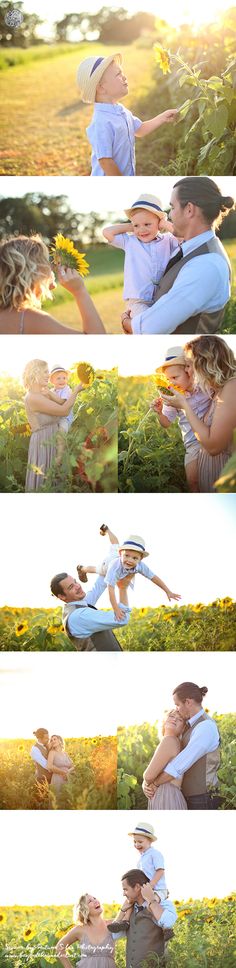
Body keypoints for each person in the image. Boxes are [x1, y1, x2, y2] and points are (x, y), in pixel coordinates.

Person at [121, 177, 234, 334]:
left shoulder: (206, 265)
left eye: (172, 208)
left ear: (189, 209)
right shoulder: (190, 248)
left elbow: (149, 328)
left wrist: (127, 322)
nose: (169, 215)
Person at [76, 53, 178, 177]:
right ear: (101, 88)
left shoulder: (121, 110)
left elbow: (139, 130)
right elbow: (105, 161)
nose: (124, 77)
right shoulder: (101, 122)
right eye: (118, 74)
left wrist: (162, 117)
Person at [0, 234, 105, 334]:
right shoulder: (35, 321)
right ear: (34, 271)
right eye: (46, 261)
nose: (52, 266)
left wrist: (40, 288)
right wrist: (80, 291)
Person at [143, 682, 221, 810]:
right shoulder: (187, 727)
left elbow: (179, 764)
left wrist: (154, 783)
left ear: (188, 702)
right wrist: (146, 783)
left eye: (177, 704)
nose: (177, 709)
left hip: (203, 797)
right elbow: (159, 764)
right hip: (187, 796)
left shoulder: (205, 726)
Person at [78, 527, 181, 622]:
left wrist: (168, 591)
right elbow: (111, 590)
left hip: (117, 557)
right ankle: (82, 569)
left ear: (141, 559)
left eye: (135, 558)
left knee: (115, 545)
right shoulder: (114, 567)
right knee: (98, 574)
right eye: (127, 556)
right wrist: (116, 609)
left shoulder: (140, 565)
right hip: (108, 565)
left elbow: (154, 577)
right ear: (121, 554)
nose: (130, 560)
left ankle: (107, 530)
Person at [103, 194, 180, 317]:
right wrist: (131, 227)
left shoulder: (168, 240)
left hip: (162, 296)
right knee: (147, 322)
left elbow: (182, 236)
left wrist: (165, 224)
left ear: (158, 223)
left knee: (165, 321)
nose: (141, 230)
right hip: (138, 299)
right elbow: (107, 232)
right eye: (137, 225)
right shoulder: (129, 241)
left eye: (147, 224)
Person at [152, 344, 211, 492]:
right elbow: (166, 423)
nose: (170, 383)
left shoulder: (205, 386)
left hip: (213, 433)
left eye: (174, 377)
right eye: (167, 379)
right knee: (192, 479)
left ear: (189, 371)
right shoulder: (172, 398)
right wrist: (160, 413)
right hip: (193, 442)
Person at [182, 336, 236, 492]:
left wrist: (185, 406)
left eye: (189, 365)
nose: (187, 370)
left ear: (205, 363)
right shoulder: (217, 390)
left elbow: (213, 446)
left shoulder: (232, 387)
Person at [23, 360, 83, 492]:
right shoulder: (33, 397)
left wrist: (51, 393)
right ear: (35, 373)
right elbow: (64, 411)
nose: (48, 375)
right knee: (44, 483)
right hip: (43, 444)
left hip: (53, 440)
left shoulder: (43, 393)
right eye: (45, 372)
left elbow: (62, 403)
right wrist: (76, 391)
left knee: (53, 482)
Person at [50, 571, 132, 652]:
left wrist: (114, 566)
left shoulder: (78, 605)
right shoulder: (78, 616)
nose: (78, 586)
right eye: (71, 587)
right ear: (62, 596)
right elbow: (122, 619)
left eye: (75, 582)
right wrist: (122, 588)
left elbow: (98, 586)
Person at [108, 869, 177, 967]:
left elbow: (168, 923)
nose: (123, 894)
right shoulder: (129, 910)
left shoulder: (163, 904)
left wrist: (151, 900)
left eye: (125, 889)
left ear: (136, 887)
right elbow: (115, 936)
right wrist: (122, 911)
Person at [56, 892, 116, 968]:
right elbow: (59, 947)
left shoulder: (112, 924)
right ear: (84, 909)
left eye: (94, 898)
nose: (95, 901)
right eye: (90, 901)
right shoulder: (79, 929)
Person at [142, 712, 188, 810]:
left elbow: (148, 776)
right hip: (169, 795)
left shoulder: (170, 741)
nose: (174, 719)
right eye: (171, 716)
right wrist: (145, 784)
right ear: (164, 721)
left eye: (180, 719)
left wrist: (145, 783)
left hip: (166, 795)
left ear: (183, 728)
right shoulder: (174, 742)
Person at [128, 823, 169, 902]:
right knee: (132, 902)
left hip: (158, 890)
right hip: (146, 890)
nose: (136, 845)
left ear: (150, 841)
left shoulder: (154, 853)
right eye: (135, 842)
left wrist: (150, 886)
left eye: (140, 842)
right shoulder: (141, 859)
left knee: (152, 902)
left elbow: (160, 871)